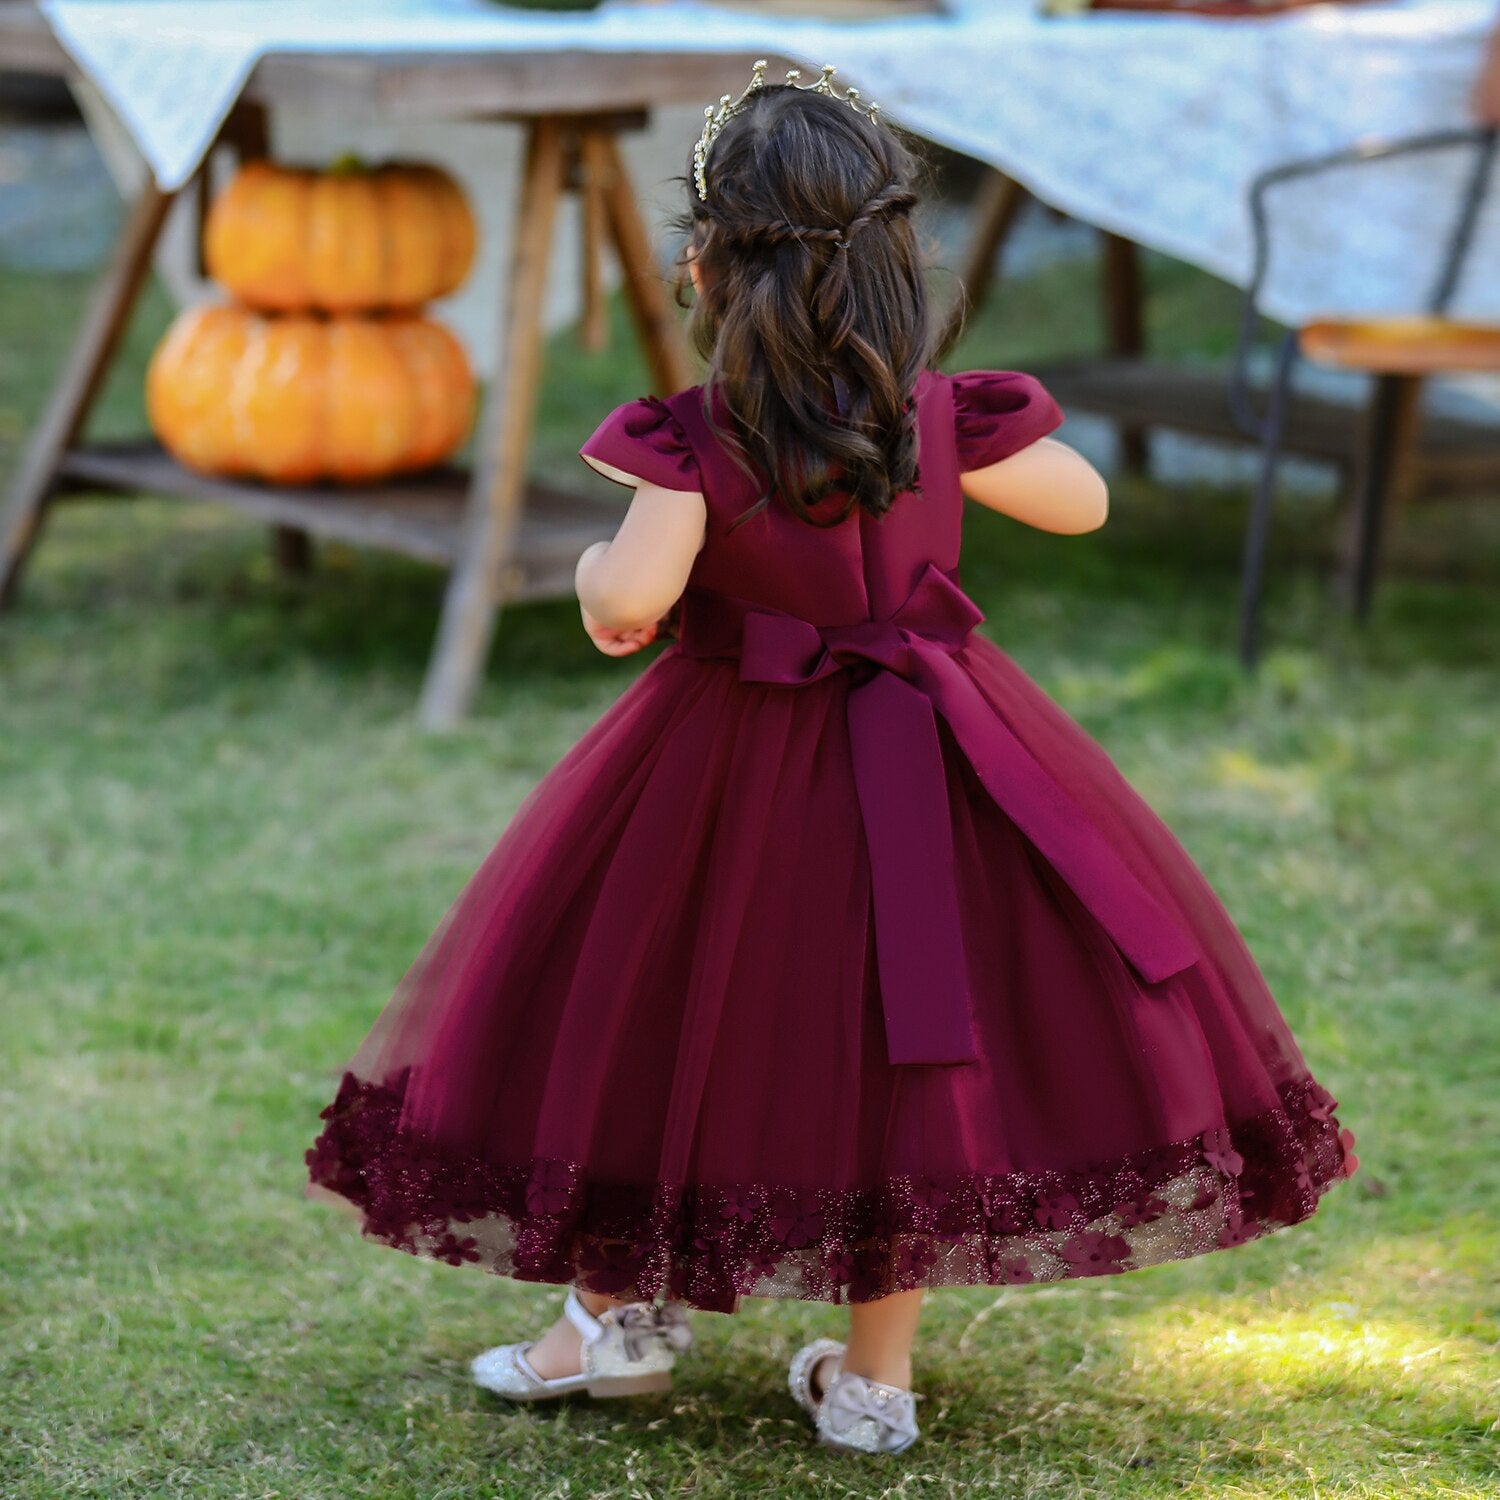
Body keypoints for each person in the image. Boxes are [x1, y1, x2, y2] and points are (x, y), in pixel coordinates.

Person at [304, 62, 1357, 1458]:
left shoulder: (690, 447)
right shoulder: (936, 418)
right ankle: (873, 1385)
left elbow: (627, 605)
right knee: (904, 1054)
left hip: (728, 770)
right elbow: (1085, 501)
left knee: (655, 1015)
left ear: (701, 270)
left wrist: (592, 569)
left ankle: (607, 1324)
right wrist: (951, 434)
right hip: (932, 753)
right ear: (897, 265)